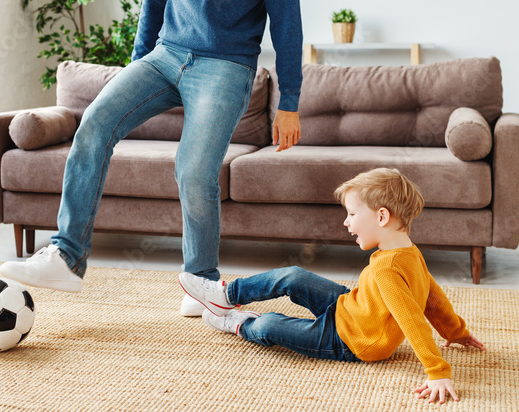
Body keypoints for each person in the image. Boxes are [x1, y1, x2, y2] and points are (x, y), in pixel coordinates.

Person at [0, 0, 304, 318]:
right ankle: (66, 256)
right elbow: (154, 2)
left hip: (225, 65)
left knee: (193, 168)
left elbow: (287, 25)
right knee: (94, 124)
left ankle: (200, 283)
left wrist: (288, 103)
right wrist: (135, 69)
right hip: (164, 55)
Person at [178, 168, 485, 404]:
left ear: (381, 216)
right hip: (348, 307)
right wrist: (456, 332)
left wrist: (437, 371)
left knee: (270, 325)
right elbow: (434, 299)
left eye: (352, 214)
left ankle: (239, 324)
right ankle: (226, 294)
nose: (346, 223)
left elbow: (414, 319)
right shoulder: (409, 253)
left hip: (349, 341)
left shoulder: (388, 269)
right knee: (294, 276)